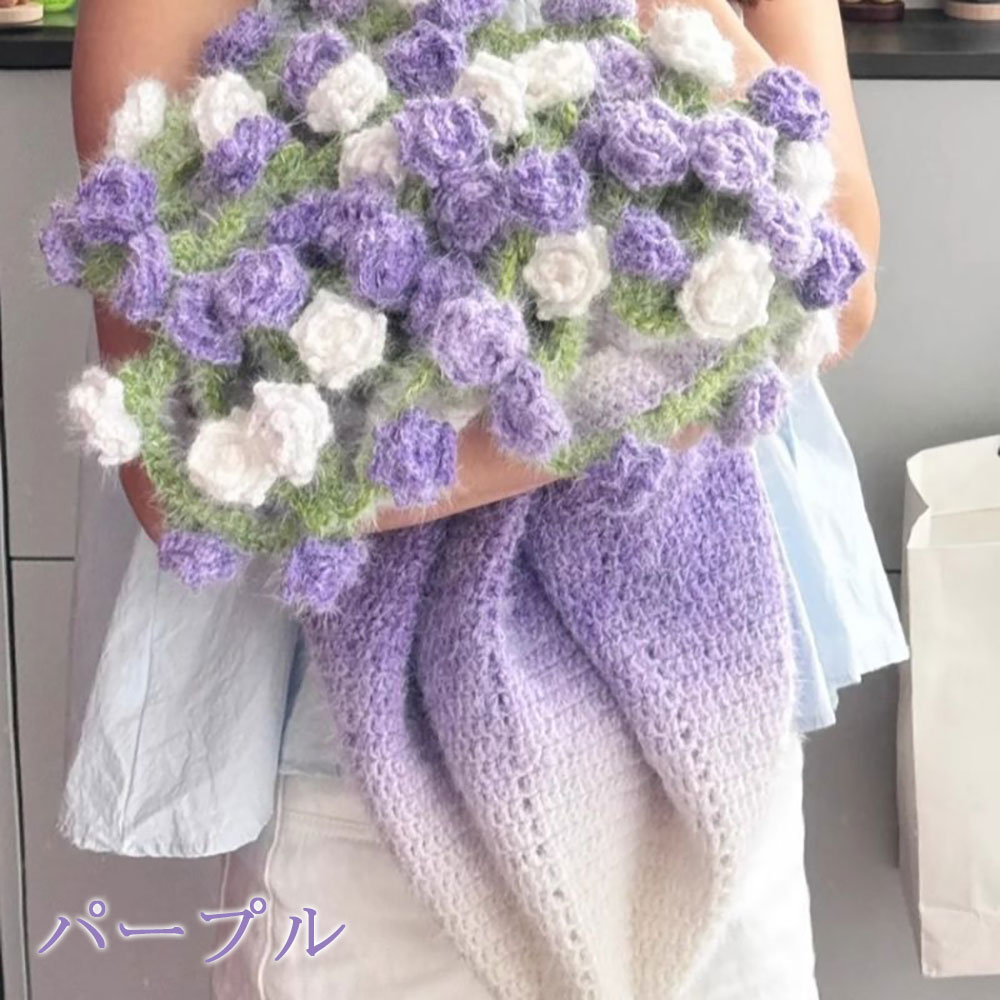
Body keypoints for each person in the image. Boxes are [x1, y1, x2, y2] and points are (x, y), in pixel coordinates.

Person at [62, 1, 906, 997]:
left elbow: (841, 282)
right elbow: (178, 470)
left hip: (709, 706)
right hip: (373, 775)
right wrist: (650, 397)